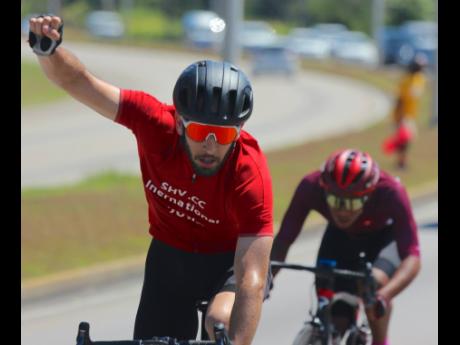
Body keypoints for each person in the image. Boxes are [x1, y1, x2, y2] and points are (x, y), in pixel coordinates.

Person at [28, 15, 274, 345]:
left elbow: (252, 279)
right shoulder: (153, 122)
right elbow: (80, 82)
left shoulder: (249, 171)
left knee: (219, 322)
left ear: (239, 132)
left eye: (224, 135)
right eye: (201, 131)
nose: (210, 145)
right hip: (170, 258)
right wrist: (48, 51)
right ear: (180, 124)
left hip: (228, 264)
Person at [271, 149, 421, 345]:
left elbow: (412, 255)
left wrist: (384, 296)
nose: (342, 211)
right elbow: (283, 240)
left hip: (383, 239)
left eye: (353, 203)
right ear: (324, 189)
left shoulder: (391, 192)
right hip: (340, 238)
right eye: (335, 200)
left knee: (372, 284)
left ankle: (380, 341)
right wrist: (265, 278)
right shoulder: (311, 186)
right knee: (333, 310)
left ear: (368, 195)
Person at [382, 54, 427, 169]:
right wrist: (400, 117)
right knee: (404, 140)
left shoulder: (420, 79)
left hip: (410, 115)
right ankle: (401, 162)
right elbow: (400, 99)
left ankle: (402, 161)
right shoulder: (406, 80)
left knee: (406, 140)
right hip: (403, 115)